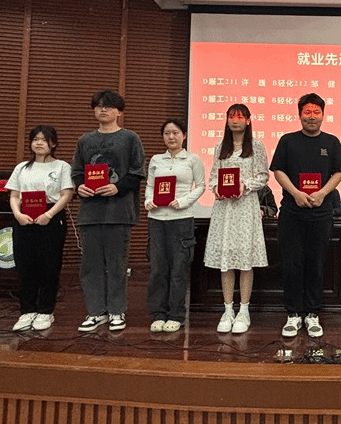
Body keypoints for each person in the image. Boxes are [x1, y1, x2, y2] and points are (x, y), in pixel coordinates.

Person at [270, 93, 341, 338]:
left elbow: (338, 172)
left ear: (323, 115)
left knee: (316, 263)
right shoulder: (288, 141)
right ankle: (293, 313)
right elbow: (278, 170)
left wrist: (323, 193)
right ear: (299, 114)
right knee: (292, 263)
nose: (311, 116)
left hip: (321, 213)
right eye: (307, 112)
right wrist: (295, 193)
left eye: (316, 112)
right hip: (292, 212)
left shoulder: (331, 142)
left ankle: (312, 313)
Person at [71, 90, 145, 332]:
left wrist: (117, 187)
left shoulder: (130, 138)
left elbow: (137, 172)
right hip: (90, 214)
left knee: (116, 264)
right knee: (90, 265)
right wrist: (79, 186)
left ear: (119, 112)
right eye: (99, 106)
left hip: (118, 212)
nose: (103, 110)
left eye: (109, 106)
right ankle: (96, 312)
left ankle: (116, 310)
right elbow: (77, 172)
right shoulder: (85, 140)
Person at [204, 104, 269, 334]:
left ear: (248, 120)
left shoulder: (256, 145)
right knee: (226, 260)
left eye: (240, 116)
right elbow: (214, 175)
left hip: (245, 207)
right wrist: (216, 188)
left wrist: (245, 185)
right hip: (224, 209)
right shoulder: (220, 146)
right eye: (231, 116)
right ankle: (228, 310)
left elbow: (263, 175)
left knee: (244, 260)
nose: (235, 120)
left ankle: (244, 310)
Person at [6, 125, 73, 331]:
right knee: (25, 265)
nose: (39, 143)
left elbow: (67, 194)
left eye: (44, 139)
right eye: (35, 139)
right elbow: (14, 195)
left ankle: (45, 311)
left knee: (49, 265)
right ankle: (27, 311)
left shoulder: (62, 166)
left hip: (50, 217)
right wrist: (17, 214)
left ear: (53, 143)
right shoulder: (21, 168)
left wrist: (48, 215)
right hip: (24, 218)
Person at [145, 118, 205, 333]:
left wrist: (184, 201)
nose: (171, 137)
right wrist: (148, 200)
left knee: (178, 270)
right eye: (167, 133)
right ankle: (159, 314)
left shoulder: (193, 159)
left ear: (184, 135)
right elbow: (150, 185)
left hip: (181, 219)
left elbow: (201, 186)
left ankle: (176, 315)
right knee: (158, 269)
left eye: (176, 133)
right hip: (157, 219)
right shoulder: (156, 160)